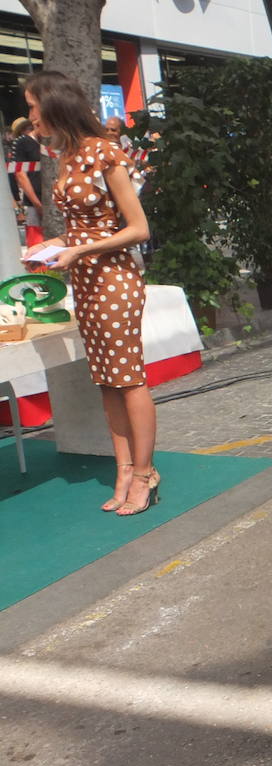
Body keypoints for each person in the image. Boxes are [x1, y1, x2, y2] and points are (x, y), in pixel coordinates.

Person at [21, 71, 155, 516]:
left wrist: (80, 249)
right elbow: (81, 229)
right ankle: (123, 470)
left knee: (129, 377)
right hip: (88, 279)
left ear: (54, 105)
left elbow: (138, 229)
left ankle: (144, 473)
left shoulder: (104, 153)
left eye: (33, 108)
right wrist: (50, 246)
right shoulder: (69, 155)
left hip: (115, 278)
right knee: (107, 379)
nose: (29, 117)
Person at [11, 116, 44, 247]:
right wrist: (37, 203)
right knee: (37, 243)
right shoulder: (22, 142)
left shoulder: (51, 142)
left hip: (55, 201)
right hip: (33, 202)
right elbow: (20, 175)